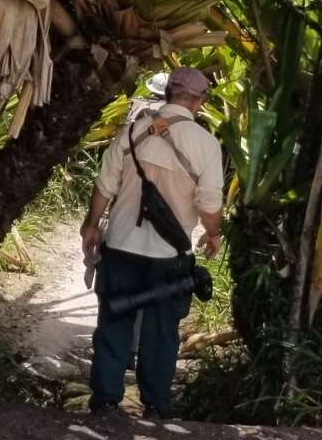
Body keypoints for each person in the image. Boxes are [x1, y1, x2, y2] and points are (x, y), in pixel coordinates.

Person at [80, 65, 224, 420]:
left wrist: (91, 226)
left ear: (168, 94)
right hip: (169, 257)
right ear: (199, 102)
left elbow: (104, 186)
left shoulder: (133, 131)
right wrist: (213, 232)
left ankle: (105, 403)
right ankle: (156, 407)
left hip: (121, 247)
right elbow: (210, 205)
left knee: (114, 322)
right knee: (161, 334)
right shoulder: (207, 145)